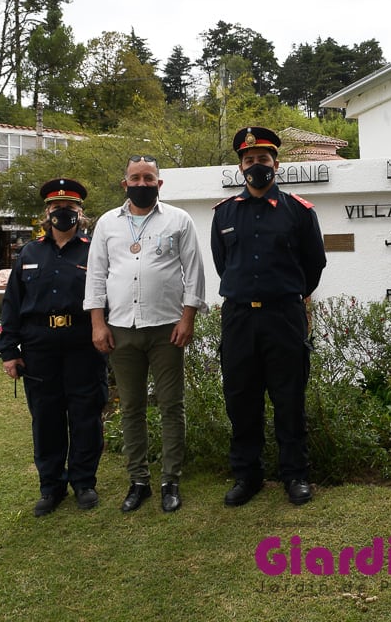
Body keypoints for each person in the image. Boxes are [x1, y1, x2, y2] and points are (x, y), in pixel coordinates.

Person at [84, 155, 207, 513]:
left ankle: (171, 480)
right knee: (132, 407)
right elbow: (95, 276)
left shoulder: (178, 220)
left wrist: (188, 319)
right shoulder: (108, 223)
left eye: (148, 178)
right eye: (135, 178)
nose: (142, 184)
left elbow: (194, 272)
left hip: (167, 328)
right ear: (125, 184)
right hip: (121, 330)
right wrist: (97, 322)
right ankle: (139, 481)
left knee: (171, 405)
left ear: (159, 183)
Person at [211, 127, 327, 507]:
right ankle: (248, 475)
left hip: (284, 317)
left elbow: (314, 265)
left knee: (288, 397)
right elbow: (222, 263)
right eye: (249, 160)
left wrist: (285, 293)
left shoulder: (299, 211)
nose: (256, 166)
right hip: (239, 318)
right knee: (241, 398)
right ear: (240, 167)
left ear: (276, 164)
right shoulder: (225, 213)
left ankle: (295, 475)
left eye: (263, 159)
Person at [0, 178, 107, 517]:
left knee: (86, 415)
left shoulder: (94, 251)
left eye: (70, 209)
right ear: (47, 213)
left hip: (82, 345)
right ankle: (51, 486)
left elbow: (107, 296)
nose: (63, 214)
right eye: (57, 209)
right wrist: (9, 351)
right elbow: (13, 304)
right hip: (39, 347)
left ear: (81, 213)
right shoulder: (30, 253)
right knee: (46, 419)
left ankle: (84, 482)